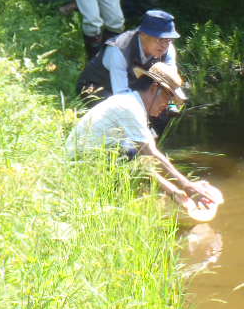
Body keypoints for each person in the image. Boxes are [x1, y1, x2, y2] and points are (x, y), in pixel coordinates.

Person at [66, 63, 217, 219]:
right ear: (154, 88)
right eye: (168, 97)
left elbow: (138, 163)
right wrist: (188, 186)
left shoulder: (133, 104)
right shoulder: (130, 107)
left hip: (85, 161)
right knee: (131, 150)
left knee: (132, 152)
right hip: (79, 163)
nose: (167, 106)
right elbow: (150, 154)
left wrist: (174, 191)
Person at [76, 9, 181, 109]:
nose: (164, 45)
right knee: (119, 112)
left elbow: (171, 82)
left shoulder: (168, 48)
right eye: (160, 39)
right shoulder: (119, 49)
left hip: (133, 88)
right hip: (97, 88)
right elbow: (121, 96)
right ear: (143, 34)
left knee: (163, 114)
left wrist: (170, 105)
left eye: (168, 40)